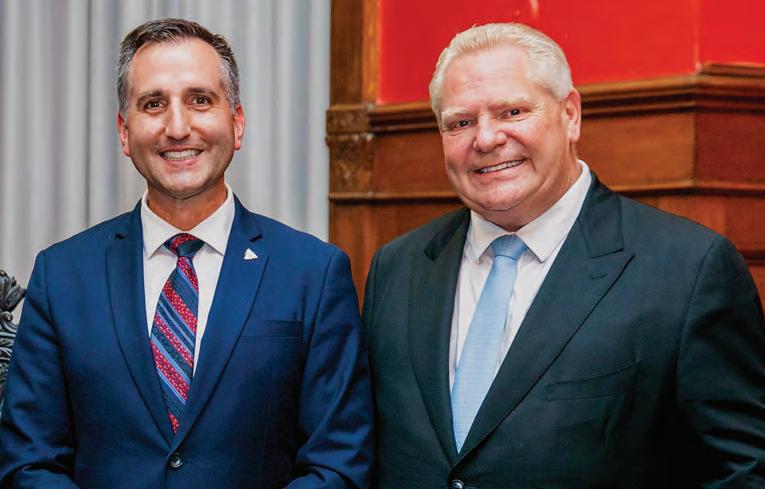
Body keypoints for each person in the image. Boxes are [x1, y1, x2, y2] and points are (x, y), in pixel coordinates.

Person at [362, 23, 765, 488]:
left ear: (570, 115)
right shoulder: (398, 268)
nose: (486, 139)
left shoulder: (687, 270)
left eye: (512, 111)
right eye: (461, 123)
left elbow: (741, 473)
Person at [0, 18, 372, 488]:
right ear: (124, 131)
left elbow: (338, 464)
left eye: (200, 100)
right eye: (154, 104)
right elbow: (28, 462)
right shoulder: (61, 276)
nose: (177, 127)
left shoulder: (313, 274)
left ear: (237, 123)